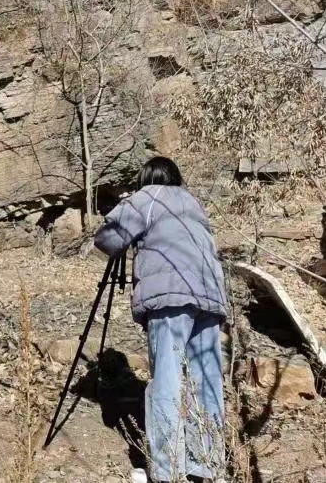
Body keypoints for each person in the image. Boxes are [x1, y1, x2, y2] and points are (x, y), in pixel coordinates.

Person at [94, 157, 228, 482]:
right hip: (210, 295)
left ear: (146, 178)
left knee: (166, 381)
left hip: (171, 297)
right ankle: (207, 464)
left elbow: (107, 239)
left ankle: (168, 471)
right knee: (206, 380)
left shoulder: (147, 197)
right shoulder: (193, 203)